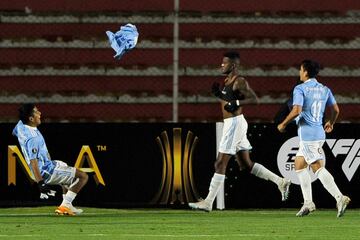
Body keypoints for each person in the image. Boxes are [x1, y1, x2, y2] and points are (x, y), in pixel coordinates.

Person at [188, 51, 291, 212]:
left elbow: (254, 99)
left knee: (220, 163)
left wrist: (236, 102)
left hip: (234, 124)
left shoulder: (239, 81)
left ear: (233, 65)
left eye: (225, 63)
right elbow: (228, 100)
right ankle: (280, 181)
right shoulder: (227, 80)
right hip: (235, 124)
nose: (222, 65)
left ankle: (208, 202)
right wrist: (219, 94)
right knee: (246, 164)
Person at [277, 60, 350, 217]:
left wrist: (283, 124)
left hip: (308, 135)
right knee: (299, 164)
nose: (299, 72)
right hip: (319, 132)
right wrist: (330, 122)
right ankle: (308, 203)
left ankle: (339, 197)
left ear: (305, 72)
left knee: (317, 167)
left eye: (300, 69)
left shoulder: (300, 88)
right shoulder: (324, 89)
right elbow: (336, 110)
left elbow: (297, 110)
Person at [12, 103, 89, 215]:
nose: (40, 113)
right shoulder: (33, 138)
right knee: (83, 177)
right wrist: (41, 183)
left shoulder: (20, 126)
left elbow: (15, 133)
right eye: (36, 112)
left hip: (46, 165)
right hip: (45, 171)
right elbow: (34, 162)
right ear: (31, 118)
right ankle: (65, 206)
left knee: (64, 165)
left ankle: (68, 205)